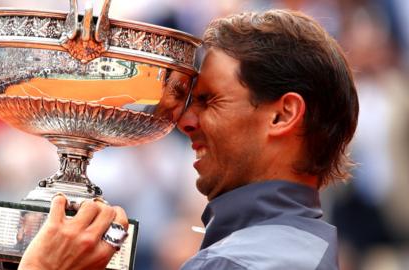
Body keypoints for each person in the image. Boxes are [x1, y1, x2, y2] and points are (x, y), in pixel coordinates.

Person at [19, 9, 359, 270]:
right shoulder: (308, 245)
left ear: (283, 115)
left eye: (209, 101)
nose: (185, 121)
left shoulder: (237, 263)